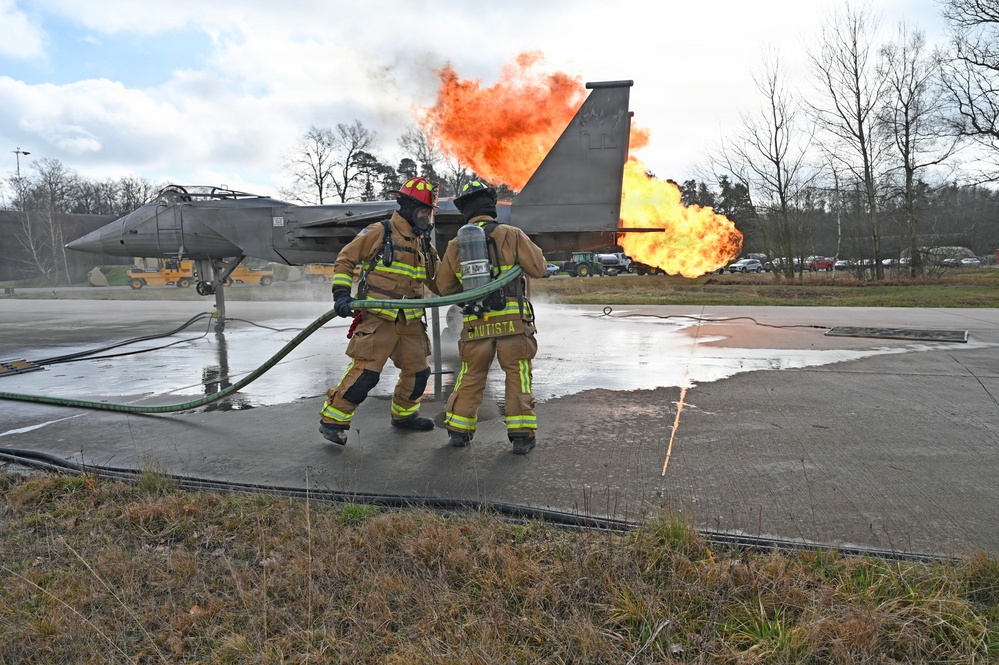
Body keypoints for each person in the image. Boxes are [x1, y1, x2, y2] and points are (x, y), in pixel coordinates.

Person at [318, 177, 440, 446]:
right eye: (423, 211)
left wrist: (473, 290)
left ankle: (404, 415)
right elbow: (345, 259)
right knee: (366, 374)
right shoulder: (380, 232)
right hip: (379, 318)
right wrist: (341, 294)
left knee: (418, 374)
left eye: (428, 212)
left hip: (410, 321)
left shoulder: (424, 245)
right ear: (409, 208)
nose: (426, 217)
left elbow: (439, 282)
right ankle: (333, 420)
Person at [434, 181, 548, 454]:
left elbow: (444, 288)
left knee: (471, 374)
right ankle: (521, 436)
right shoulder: (512, 234)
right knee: (517, 374)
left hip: (476, 323)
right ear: (491, 206)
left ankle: (458, 431)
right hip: (513, 325)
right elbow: (539, 267)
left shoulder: (456, 244)